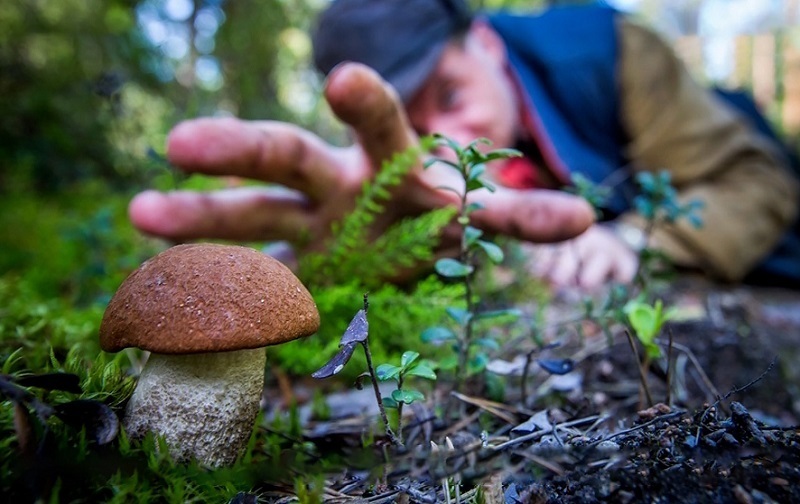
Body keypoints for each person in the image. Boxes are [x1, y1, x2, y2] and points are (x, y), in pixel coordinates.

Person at [129, 0, 800, 291]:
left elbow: (758, 182)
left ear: (481, 40)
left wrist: (633, 240)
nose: (449, 141)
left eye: (449, 96)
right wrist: (390, 250)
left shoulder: (610, 51)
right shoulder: (411, 170)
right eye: (417, 129)